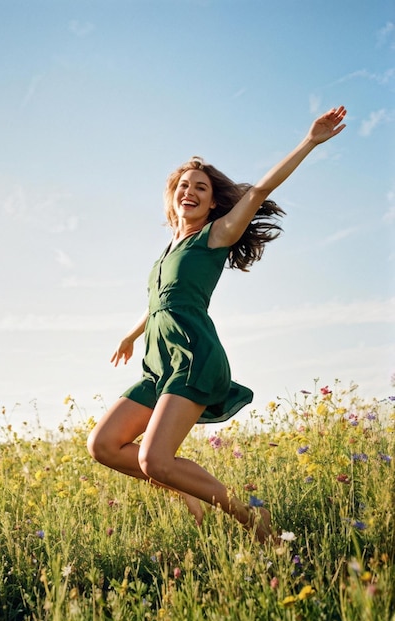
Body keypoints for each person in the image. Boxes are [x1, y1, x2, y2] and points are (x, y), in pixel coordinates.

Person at [87, 106, 347, 543]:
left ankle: (252, 519)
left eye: (200, 188)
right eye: (183, 185)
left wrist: (310, 141)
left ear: (211, 202)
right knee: (104, 446)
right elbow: (160, 302)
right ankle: (184, 490)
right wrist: (132, 335)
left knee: (155, 460)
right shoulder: (170, 248)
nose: (190, 191)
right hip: (160, 362)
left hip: (194, 358)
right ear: (173, 196)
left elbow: (260, 189)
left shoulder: (216, 236)